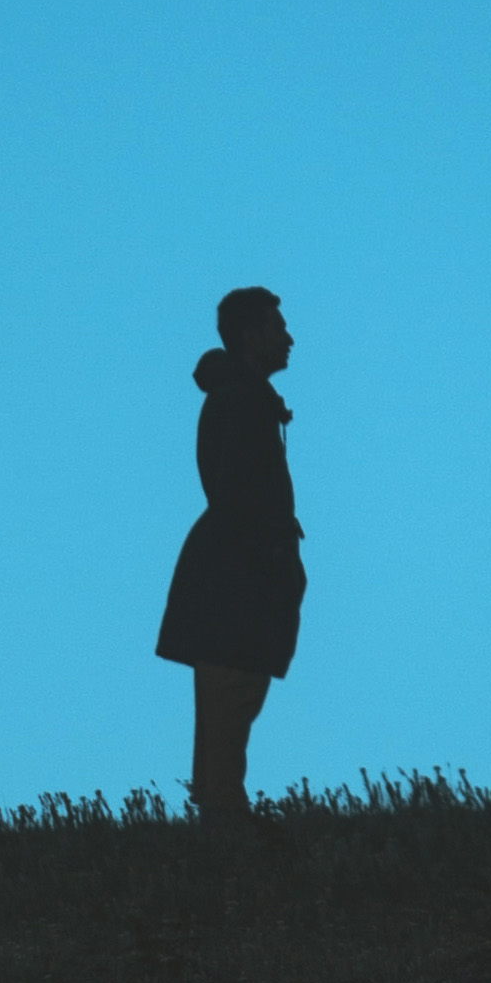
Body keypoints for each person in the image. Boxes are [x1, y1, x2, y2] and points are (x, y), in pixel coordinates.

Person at [156, 285, 303, 815]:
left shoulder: (245, 400)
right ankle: (225, 832)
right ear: (250, 336)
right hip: (236, 588)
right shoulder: (242, 402)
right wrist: (273, 557)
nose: (289, 338)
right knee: (229, 704)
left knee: (231, 706)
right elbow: (240, 497)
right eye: (277, 327)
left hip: (238, 583)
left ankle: (224, 824)